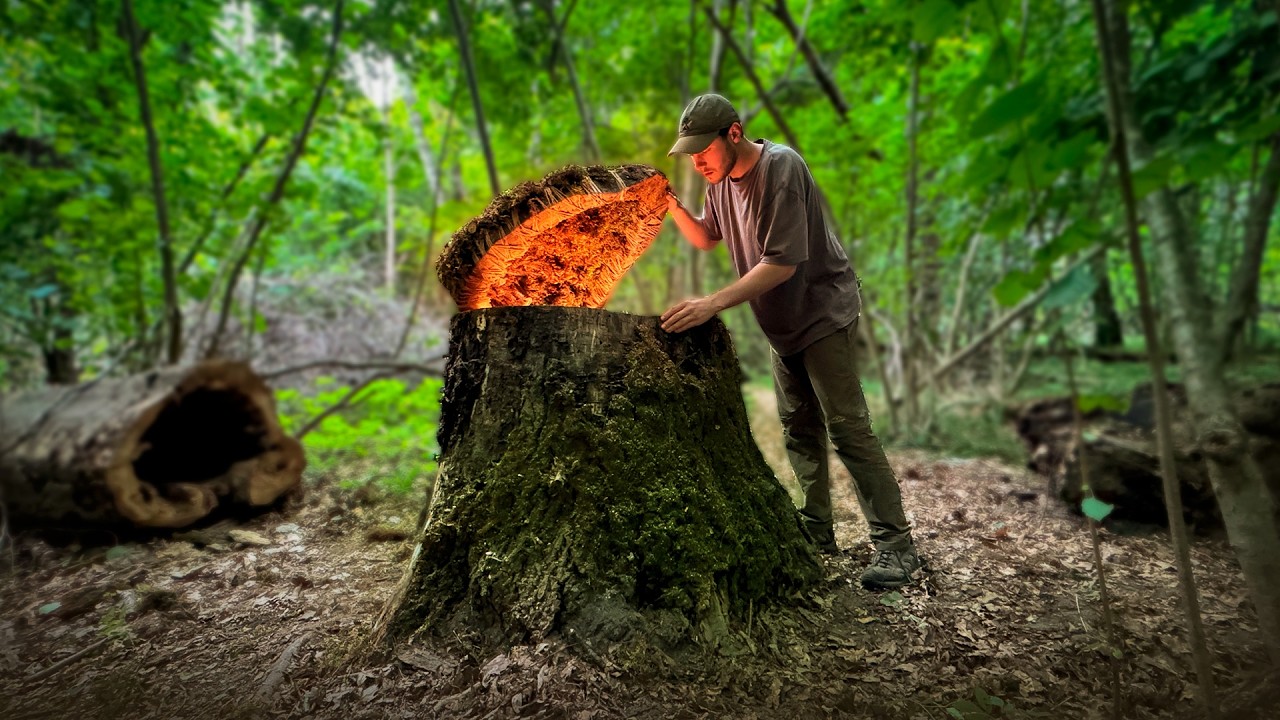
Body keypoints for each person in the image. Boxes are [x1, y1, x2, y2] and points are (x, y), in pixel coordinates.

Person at [661, 93, 923, 590]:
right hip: (781, 325)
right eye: (690, 154)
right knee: (798, 427)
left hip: (822, 313)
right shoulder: (719, 183)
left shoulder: (781, 169)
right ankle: (818, 529)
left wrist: (712, 302)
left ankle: (897, 547)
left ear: (733, 133)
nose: (697, 162)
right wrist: (670, 205)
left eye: (703, 150)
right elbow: (706, 236)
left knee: (847, 429)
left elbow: (781, 264)